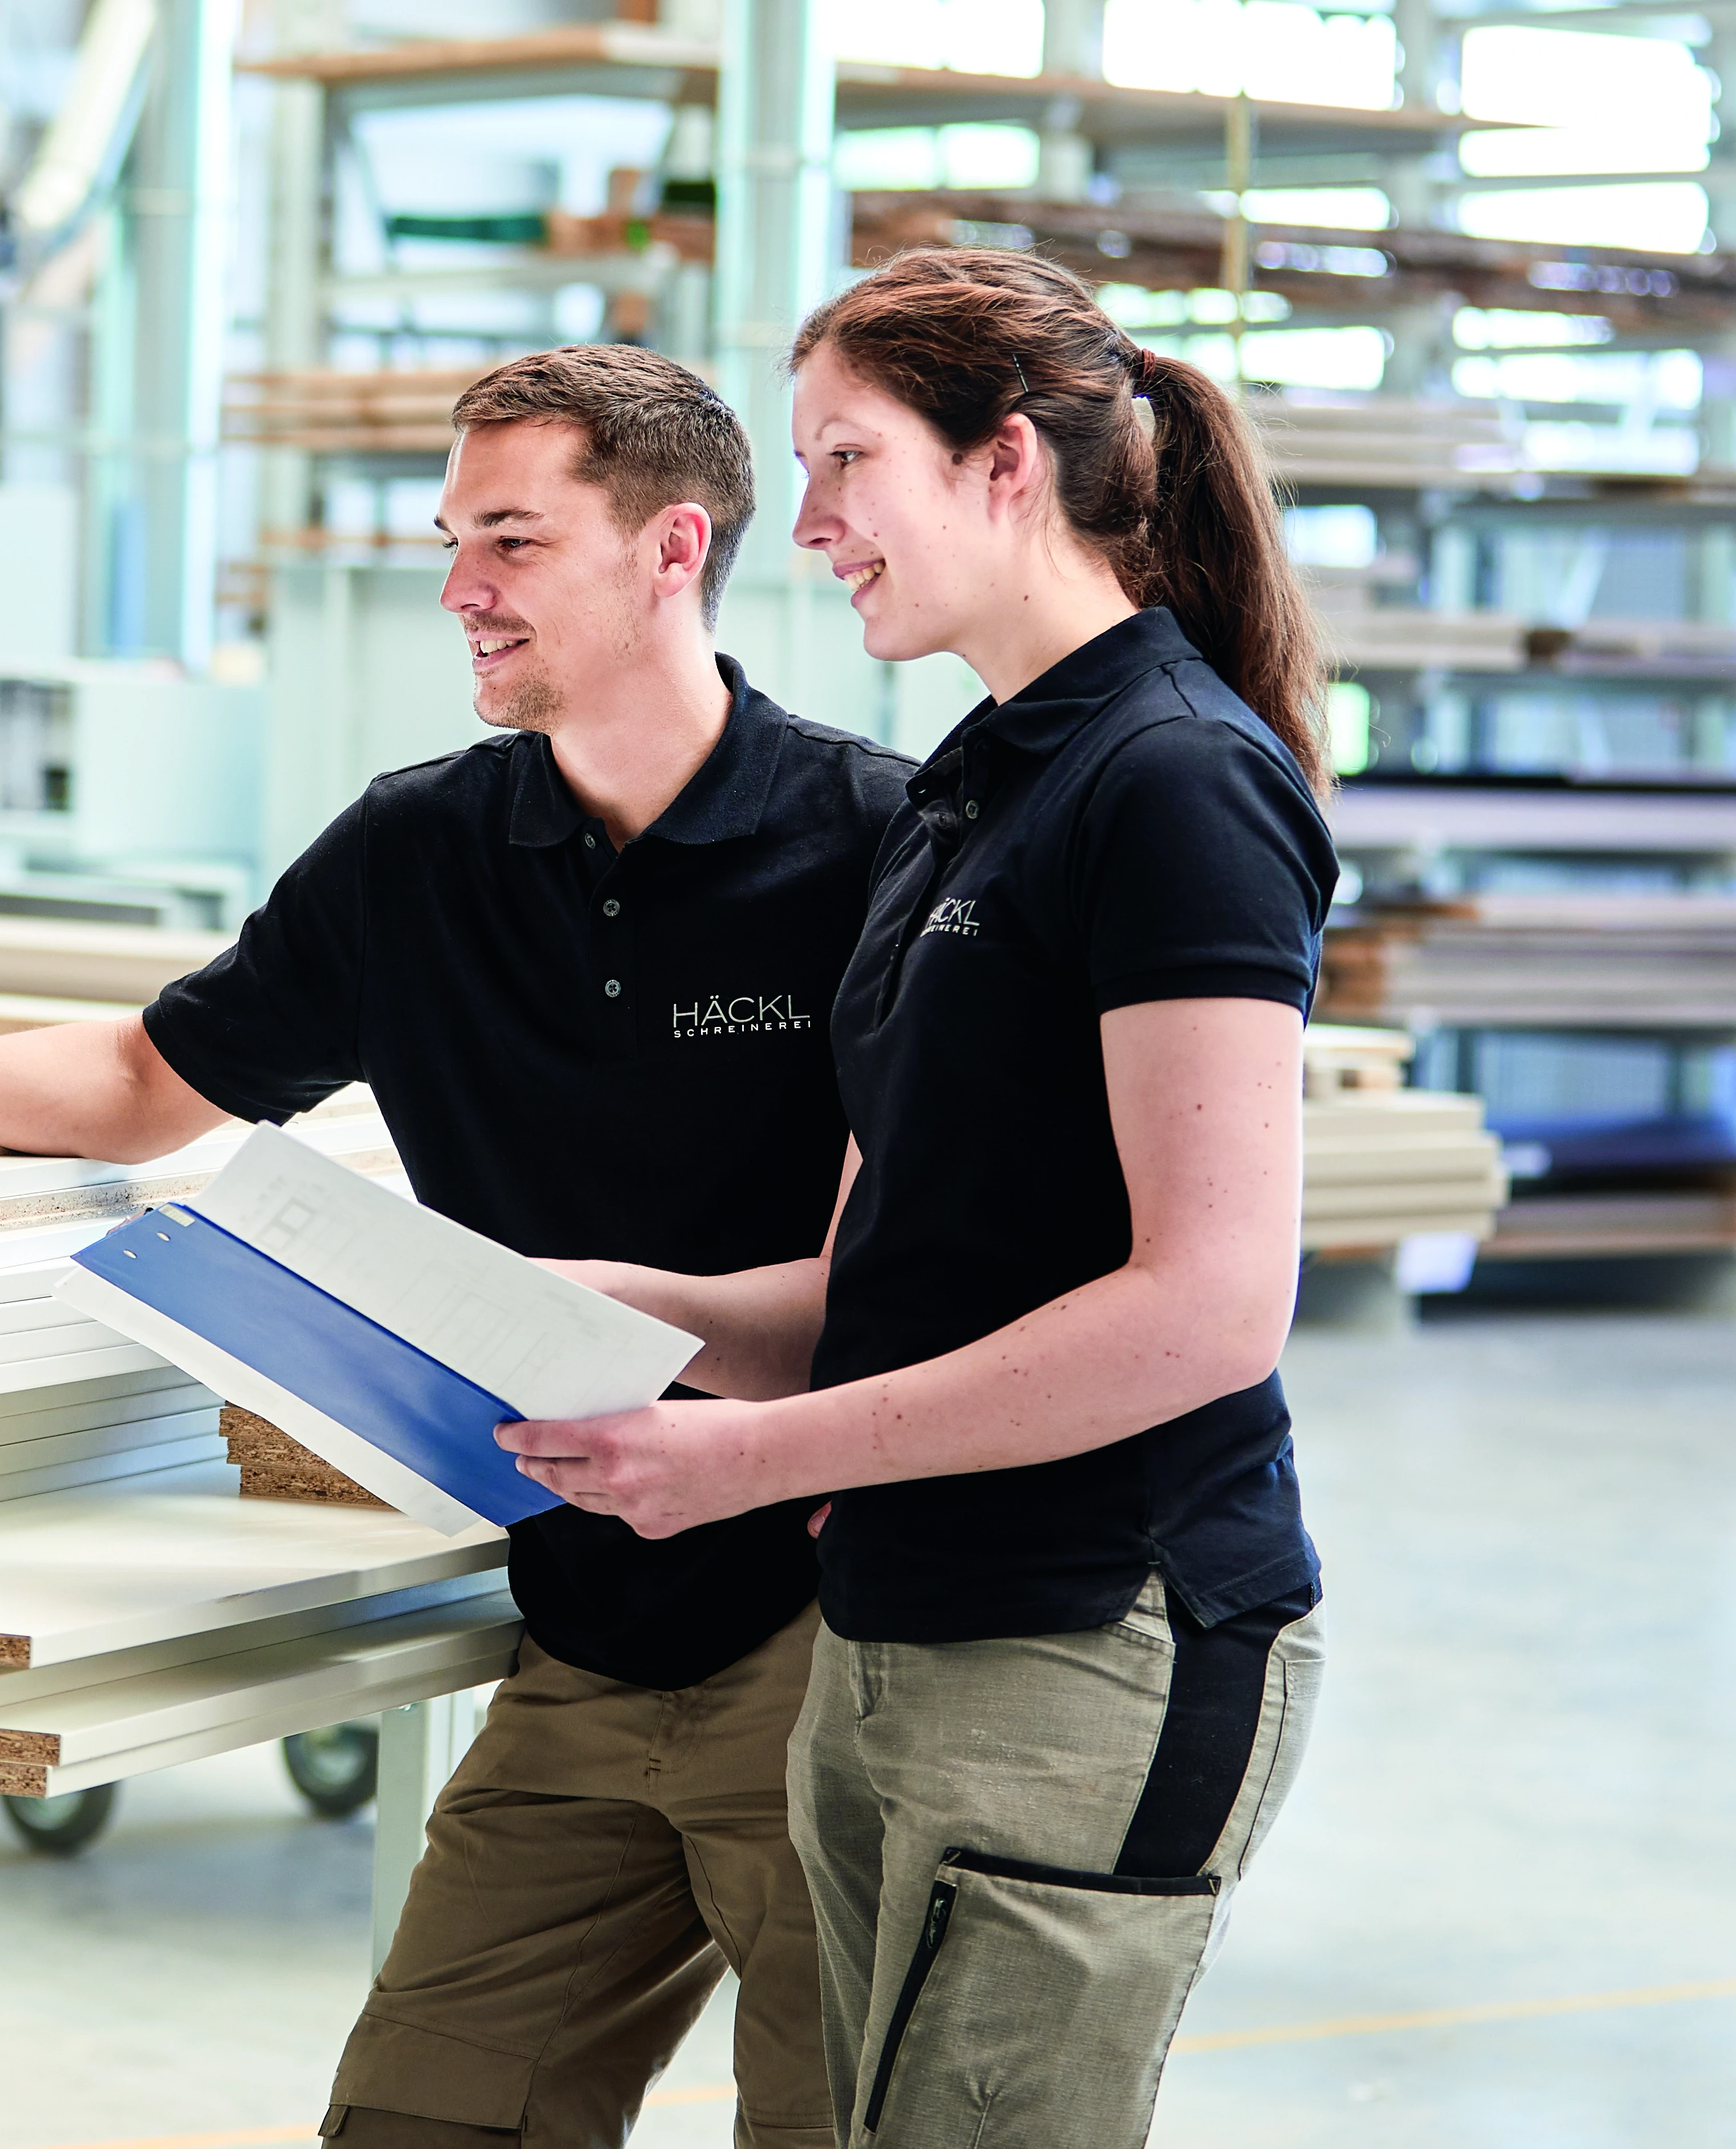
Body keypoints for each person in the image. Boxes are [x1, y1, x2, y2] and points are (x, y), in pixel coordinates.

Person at [0, 344, 914, 2148]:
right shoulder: (419, 851)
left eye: (509, 542)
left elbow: (913, 1278)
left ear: (672, 549)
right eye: (454, 537)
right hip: (588, 1635)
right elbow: (148, 1076)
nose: (458, 588)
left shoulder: (878, 845)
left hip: (834, 1637)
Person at [496, 249, 1336, 2149]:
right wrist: (598, 1304)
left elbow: (1206, 1306)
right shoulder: (973, 787)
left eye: (844, 461)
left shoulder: (1176, 781)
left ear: (1004, 464)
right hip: (899, 1627)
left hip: (1083, 1624)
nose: (805, 527)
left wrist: (757, 1459)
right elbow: (895, 1275)